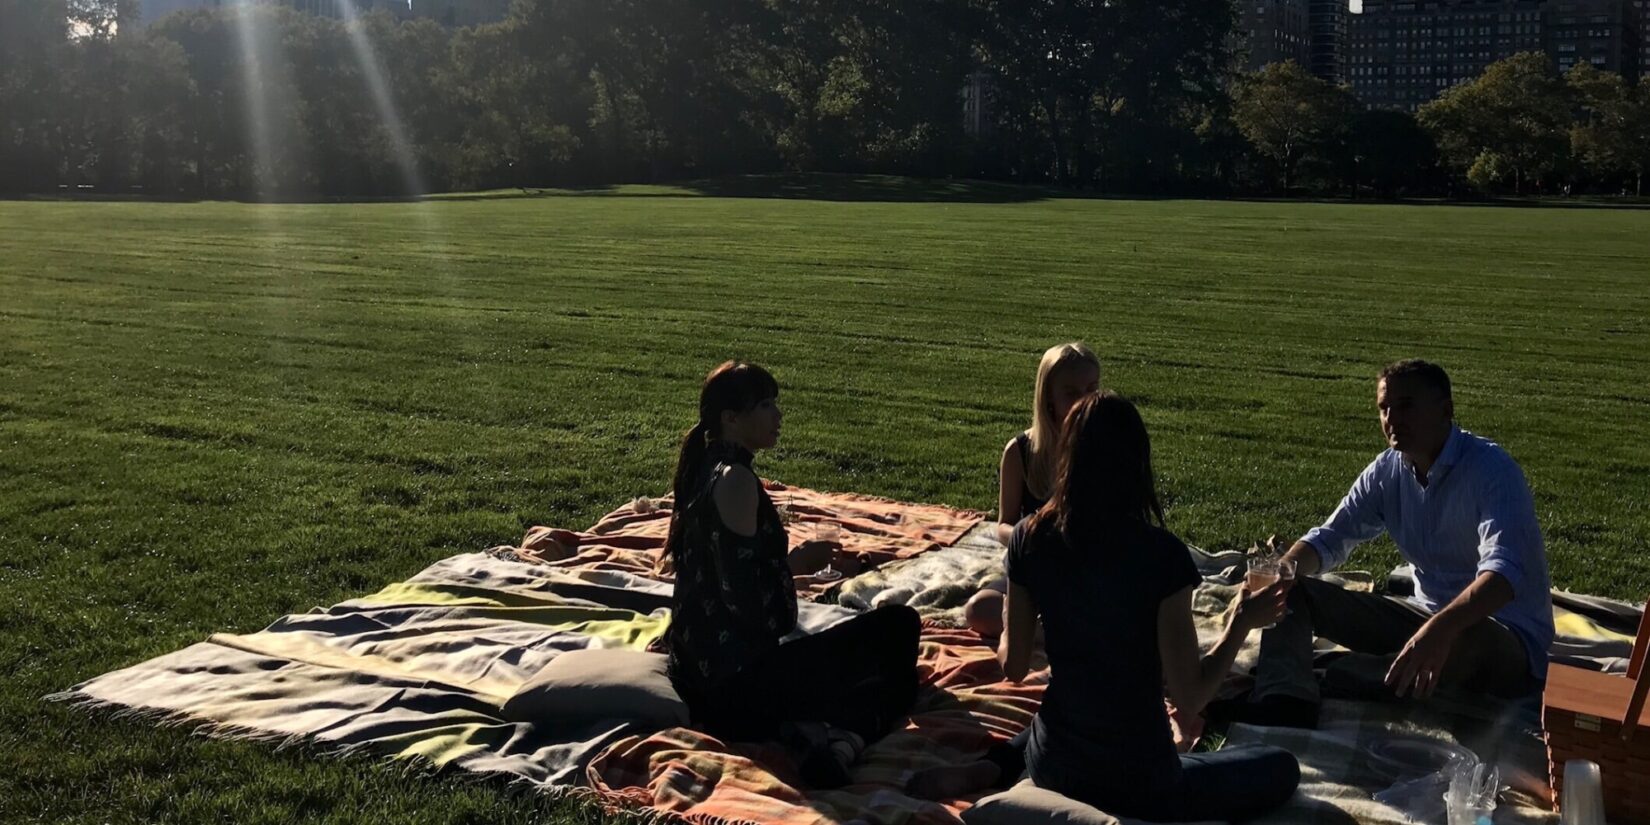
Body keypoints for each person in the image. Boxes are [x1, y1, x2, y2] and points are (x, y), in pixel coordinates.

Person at [995, 391, 1299, 820]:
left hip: (1052, 767)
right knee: (1279, 766)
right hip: (1139, 781)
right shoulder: (1161, 556)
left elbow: (1013, 667)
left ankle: (997, 765)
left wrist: (1009, 628)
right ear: (1137, 463)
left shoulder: (1028, 537)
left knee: (1074, 703)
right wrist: (1241, 622)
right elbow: (1189, 695)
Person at [1212, 359, 1554, 729]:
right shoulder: (1387, 471)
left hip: (1499, 636)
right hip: (1422, 618)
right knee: (1293, 589)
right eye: (1384, 408)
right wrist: (1283, 571)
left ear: (1446, 410)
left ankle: (1349, 676)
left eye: (1406, 406)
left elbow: (1504, 576)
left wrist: (1440, 630)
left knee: (1466, 644)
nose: (1392, 419)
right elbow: (1330, 537)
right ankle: (1286, 699)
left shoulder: (1493, 471)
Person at [664, 360, 922, 788]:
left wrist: (789, 565)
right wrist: (794, 567)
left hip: (696, 671)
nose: (778, 416)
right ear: (731, 418)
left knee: (883, 664)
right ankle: (844, 738)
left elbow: (722, 573)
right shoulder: (736, 481)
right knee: (900, 631)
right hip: (735, 690)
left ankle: (817, 731)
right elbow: (751, 608)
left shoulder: (702, 467)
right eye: (765, 406)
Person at [964, 343, 1102, 639]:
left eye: (1091, 389)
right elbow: (1003, 523)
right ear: (1048, 398)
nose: (1084, 401)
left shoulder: (1106, 446)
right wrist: (1027, 535)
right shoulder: (1021, 452)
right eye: (1071, 393)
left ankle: (1051, 627)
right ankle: (1062, 627)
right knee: (979, 610)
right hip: (1036, 565)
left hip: (1091, 565)